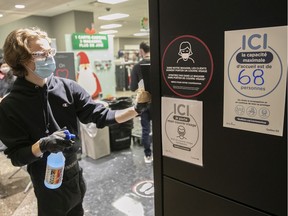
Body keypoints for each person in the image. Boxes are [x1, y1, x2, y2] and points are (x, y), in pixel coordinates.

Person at [0, 27, 151, 216]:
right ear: (20, 60)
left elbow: (100, 115)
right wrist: (43, 145)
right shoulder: (10, 106)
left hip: (74, 172)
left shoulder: (67, 87)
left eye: (50, 52)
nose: (48, 58)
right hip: (46, 178)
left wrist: (135, 110)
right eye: (40, 54)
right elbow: (17, 156)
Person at [130, 42, 153, 163]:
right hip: (158, 102)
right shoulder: (159, 62)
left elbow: (133, 87)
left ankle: (148, 155)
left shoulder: (137, 66)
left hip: (144, 102)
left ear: (141, 51)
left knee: (146, 129)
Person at [0, 57, 15, 151]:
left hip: (9, 103)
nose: (5, 67)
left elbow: (14, 90)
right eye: (3, 65)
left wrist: (5, 98)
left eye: (6, 65)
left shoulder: (13, 77)